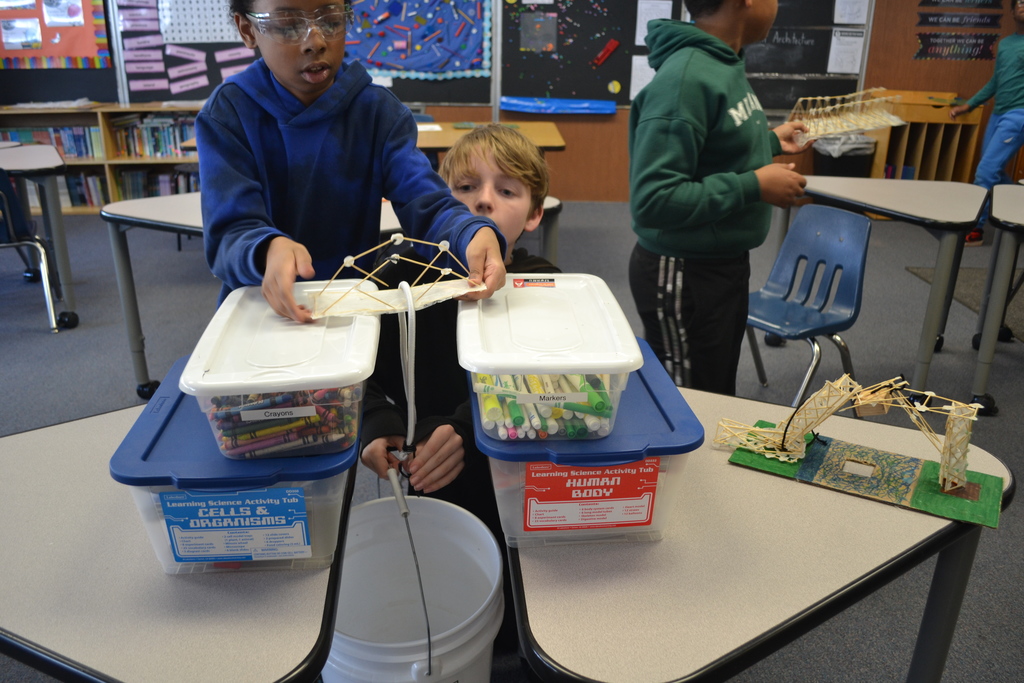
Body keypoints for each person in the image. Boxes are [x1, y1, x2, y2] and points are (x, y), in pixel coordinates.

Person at [359, 123, 557, 647]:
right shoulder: (400, 284)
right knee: (436, 593)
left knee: (514, 594)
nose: (483, 203)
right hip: (421, 479)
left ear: (535, 214)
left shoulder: (544, 285)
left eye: (507, 191)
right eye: (465, 189)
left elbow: (545, 387)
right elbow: (361, 373)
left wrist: (467, 429)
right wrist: (376, 426)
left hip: (508, 480)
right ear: (436, 202)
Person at [195, 0, 506, 320]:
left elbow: (425, 202)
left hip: (346, 310)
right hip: (257, 308)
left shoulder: (378, 113)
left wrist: (468, 233)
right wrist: (265, 248)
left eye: (330, 21)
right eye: (289, 26)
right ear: (248, 30)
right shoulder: (228, 113)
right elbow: (229, 231)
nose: (315, 42)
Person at [628, 0, 810, 396]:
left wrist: (769, 142)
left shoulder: (723, 64)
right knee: (688, 399)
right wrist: (754, 186)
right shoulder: (686, 80)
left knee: (715, 389)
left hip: (719, 263)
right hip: (683, 272)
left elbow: (713, 149)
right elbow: (654, 198)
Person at [950, 0, 1024, 245]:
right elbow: (995, 82)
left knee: (984, 172)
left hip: (1018, 116)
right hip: (997, 114)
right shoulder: (1006, 44)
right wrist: (968, 105)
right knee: (993, 172)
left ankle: (976, 229)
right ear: (1012, 11)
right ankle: (1019, 211)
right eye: (1020, 2)